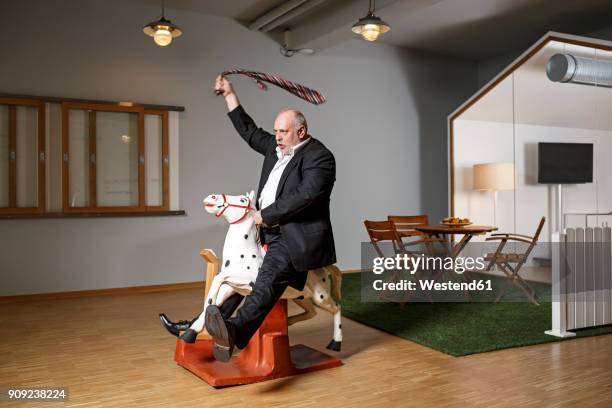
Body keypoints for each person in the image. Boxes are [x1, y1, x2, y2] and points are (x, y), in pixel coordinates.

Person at [161, 75, 336, 362]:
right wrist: (230, 94)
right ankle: (196, 326)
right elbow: (249, 130)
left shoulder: (320, 157)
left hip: (293, 238)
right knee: (235, 281)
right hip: (264, 234)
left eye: (284, 132)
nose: (277, 137)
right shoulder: (276, 149)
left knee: (266, 280)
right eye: (276, 131)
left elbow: (306, 195)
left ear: (301, 132)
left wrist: (263, 215)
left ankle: (236, 334)